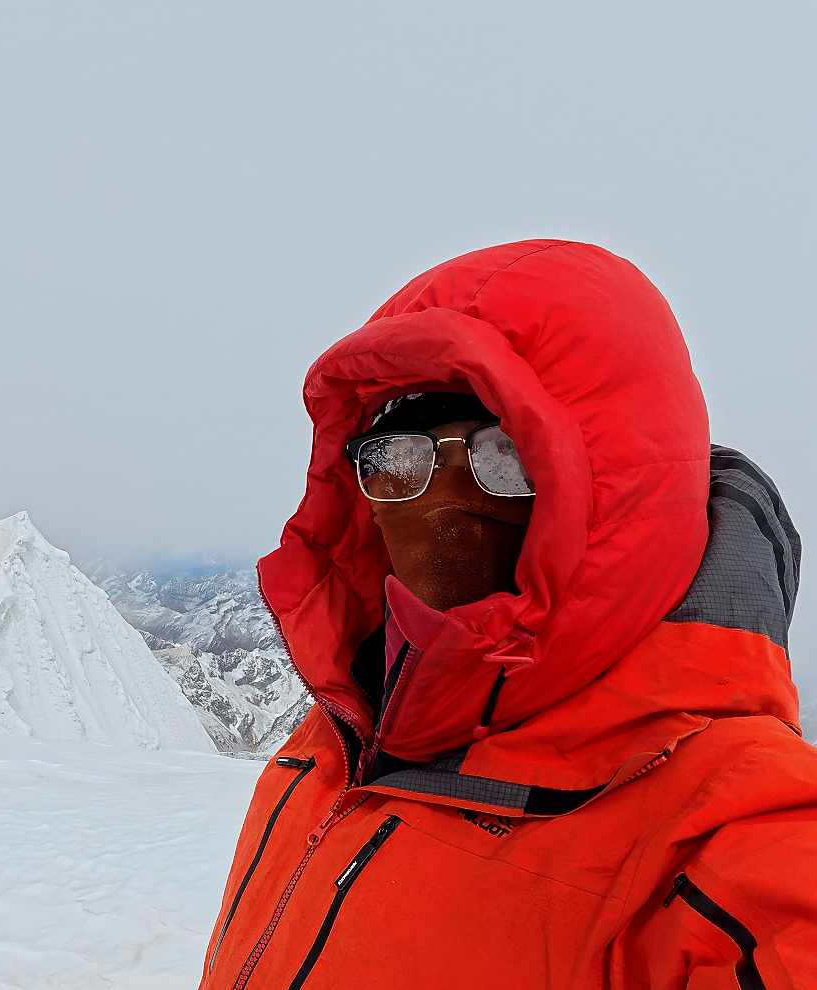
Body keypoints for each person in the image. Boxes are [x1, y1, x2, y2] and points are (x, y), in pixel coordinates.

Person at [200, 240, 817, 989]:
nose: (445, 504)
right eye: (397, 458)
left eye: (508, 453)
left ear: (615, 488)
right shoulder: (343, 728)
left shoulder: (723, 830)